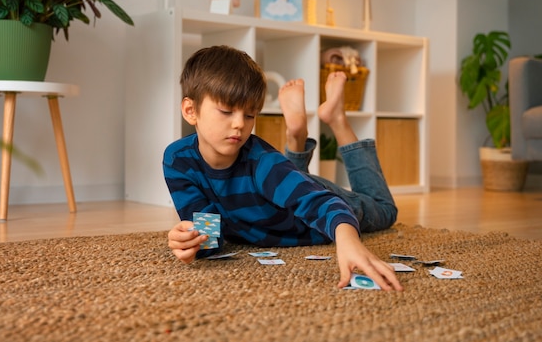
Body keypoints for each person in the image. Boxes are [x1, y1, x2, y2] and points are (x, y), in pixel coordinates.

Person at [164, 45, 402, 291]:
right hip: (279, 192)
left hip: (309, 203)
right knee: (282, 179)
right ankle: (296, 135)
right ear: (190, 111)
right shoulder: (178, 160)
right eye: (226, 111)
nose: (239, 125)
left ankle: (337, 120)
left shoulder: (261, 161)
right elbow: (211, 237)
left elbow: (323, 204)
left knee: (385, 210)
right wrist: (190, 241)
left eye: (249, 115)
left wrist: (347, 239)